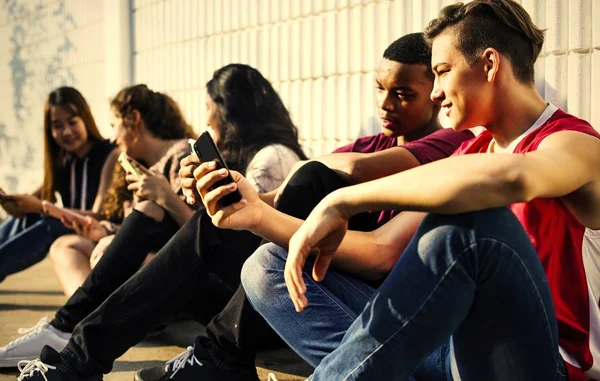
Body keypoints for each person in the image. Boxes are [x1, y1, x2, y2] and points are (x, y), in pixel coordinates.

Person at [240, 1, 600, 380]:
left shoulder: (576, 144)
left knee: (471, 226)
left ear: (490, 65)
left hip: (544, 366)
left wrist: (341, 201)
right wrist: (259, 217)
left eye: (442, 72)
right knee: (267, 267)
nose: (435, 94)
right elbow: (382, 249)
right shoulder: (470, 154)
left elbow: (514, 179)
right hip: (455, 354)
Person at [131, 33, 474, 381]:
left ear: (434, 95)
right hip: (319, 281)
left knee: (310, 179)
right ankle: (96, 342)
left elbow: (354, 177)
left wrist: (289, 186)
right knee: (204, 228)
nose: (386, 103)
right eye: (379, 88)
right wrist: (225, 192)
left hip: (371, 293)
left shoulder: (454, 143)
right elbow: (274, 198)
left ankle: (217, 352)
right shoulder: (371, 143)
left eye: (403, 95)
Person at [2, 64, 307, 372]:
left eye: (208, 108)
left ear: (229, 110)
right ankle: (67, 328)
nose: (206, 118)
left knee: (163, 217)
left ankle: (73, 338)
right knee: (145, 216)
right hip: (238, 297)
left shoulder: (275, 158)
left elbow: (241, 236)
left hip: (263, 310)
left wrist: (171, 200)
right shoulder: (244, 156)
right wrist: (194, 195)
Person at [0, 87, 118, 284]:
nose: (66, 132)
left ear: (85, 119)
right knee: (28, 218)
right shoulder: (62, 160)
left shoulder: (110, 154)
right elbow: (29, 206)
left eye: (72, 122)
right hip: (70, 227)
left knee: (49, 223)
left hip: (99, 231)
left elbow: (99, 215)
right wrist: (10, 203)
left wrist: (40, 207)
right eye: (57, 126)